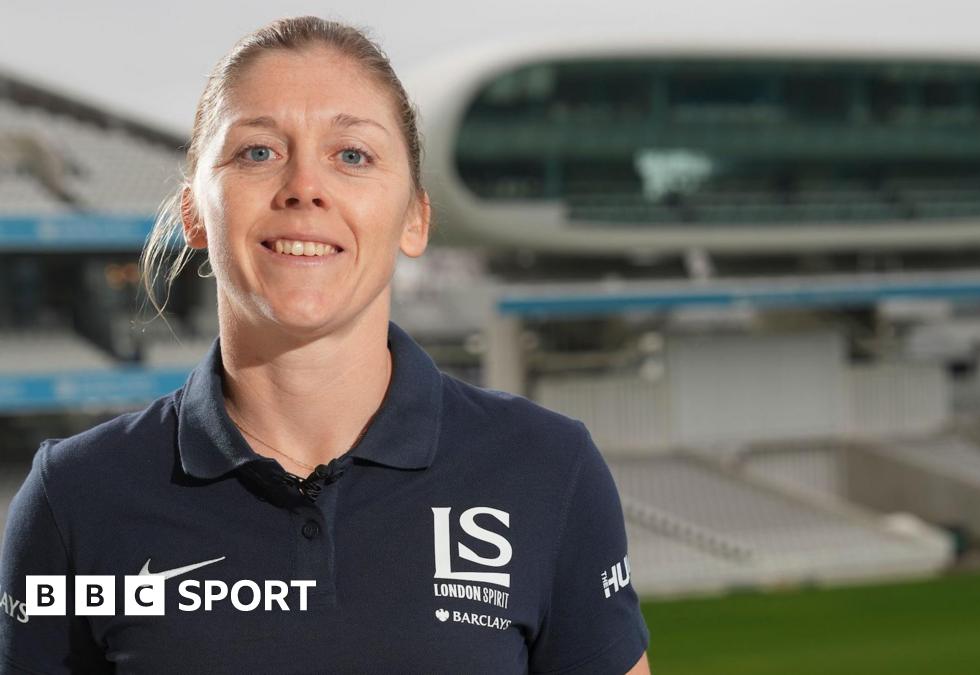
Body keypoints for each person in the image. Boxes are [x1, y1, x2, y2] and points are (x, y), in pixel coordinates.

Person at [0, 16, 651, 674]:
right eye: (258, 152)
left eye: (352, 155)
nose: (304, 187)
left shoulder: (546, 469)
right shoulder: (75, 498)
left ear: (415, 217)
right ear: (194, 211)